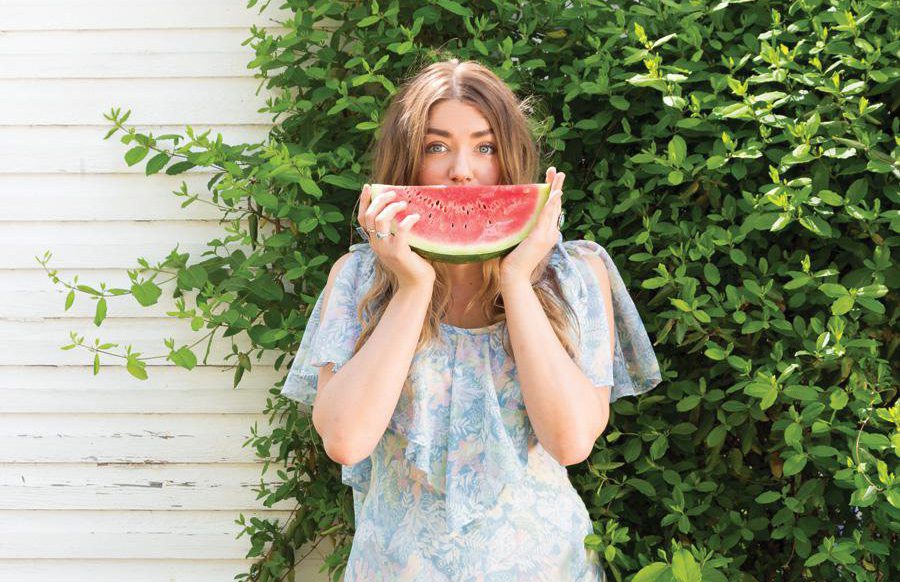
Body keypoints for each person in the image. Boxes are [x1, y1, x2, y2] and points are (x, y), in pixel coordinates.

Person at [281, 58, 662, 581]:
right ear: (406, 163)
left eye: (485, 147)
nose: (462, 169)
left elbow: (572, 441)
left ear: (512, 158)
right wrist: (414, 287)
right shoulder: (357, 279)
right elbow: (345, 439)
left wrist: (517, 280)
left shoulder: (576, 275)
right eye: (437, 146)